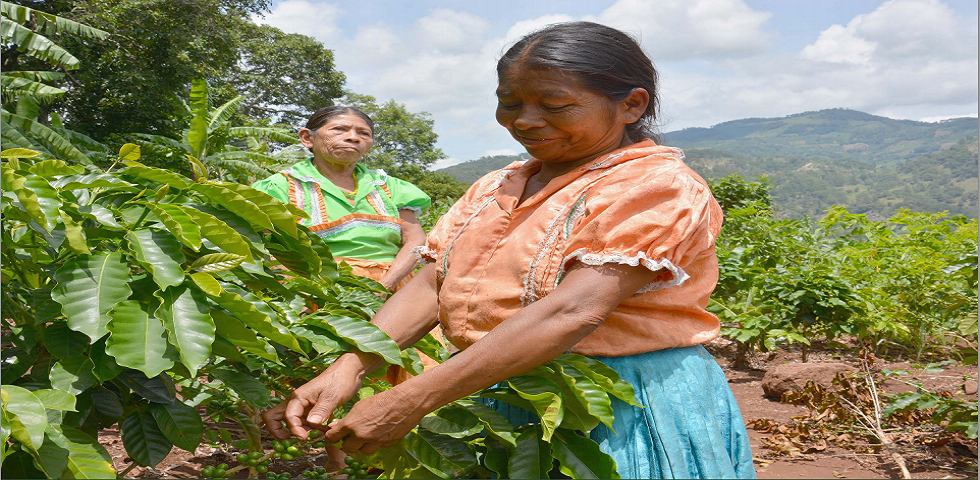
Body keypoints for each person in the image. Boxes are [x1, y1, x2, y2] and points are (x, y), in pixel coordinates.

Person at [262, 22, 756, 479]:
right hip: (490, 385)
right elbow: (434, 282)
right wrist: (349, 365)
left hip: (614, 401)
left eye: (555, 105)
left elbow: (573, 311)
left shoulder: (656, 186)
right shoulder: (496, 185)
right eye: (510, 102)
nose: (525, 120)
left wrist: (410, 399)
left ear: (631, 105)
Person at [252, 106, 430, 292]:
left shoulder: (388, 186)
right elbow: (262, 245)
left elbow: (415, 239)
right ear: (307, 138)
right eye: (339, 129)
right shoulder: (280, 186)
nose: (353, 137)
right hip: (313, 290)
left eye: (363, 133)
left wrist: (385, 285)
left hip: (393, 287)